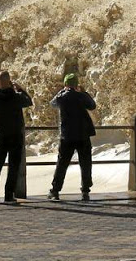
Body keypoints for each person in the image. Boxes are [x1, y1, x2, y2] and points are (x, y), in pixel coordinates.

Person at [47, 73, 96, 201]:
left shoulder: (62, 97)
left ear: (65, 84)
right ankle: (85, 190)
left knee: (62, 163)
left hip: (67, 136)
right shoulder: (81, 96)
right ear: (76, 84)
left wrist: (61, 91)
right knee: (85, 163)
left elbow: (52, 103)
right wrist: (84, 92)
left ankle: (55, 190)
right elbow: (92, 106)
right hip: (83, 135)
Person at [0, 71, 32, 203]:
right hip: (15, 135)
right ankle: (9, 195)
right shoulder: (16, 97)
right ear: (10, 82)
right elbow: (29, 101)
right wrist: (20, 89)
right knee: (13, 166)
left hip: (1, 136)